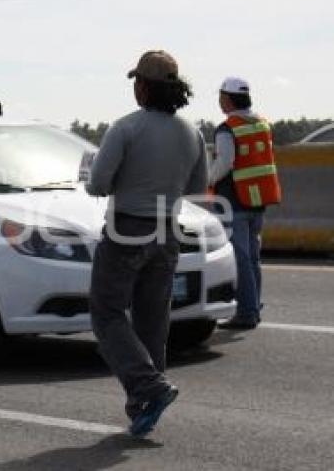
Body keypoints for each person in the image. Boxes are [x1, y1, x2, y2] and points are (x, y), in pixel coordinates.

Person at [86, 50, 207, 438]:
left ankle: (149, 387)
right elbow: (196, 186)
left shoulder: (125, 128)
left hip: (127, 230)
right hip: (168, 231)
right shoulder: (192, 132)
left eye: (136, 81)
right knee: (153, 318)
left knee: (106, 312)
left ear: (143, 86)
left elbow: (98, 184)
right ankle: (145, 403)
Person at [210, 77, 281, 330]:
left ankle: (247, 312)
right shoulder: (261, 123)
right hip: (257, 199)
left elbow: (225, 163)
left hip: (235, 199)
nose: (219, 101)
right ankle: (254, 305)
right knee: (252, 257)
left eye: (220, 96)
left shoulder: (228, 128)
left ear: (228, 98)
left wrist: (207, 179)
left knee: (241, 258)